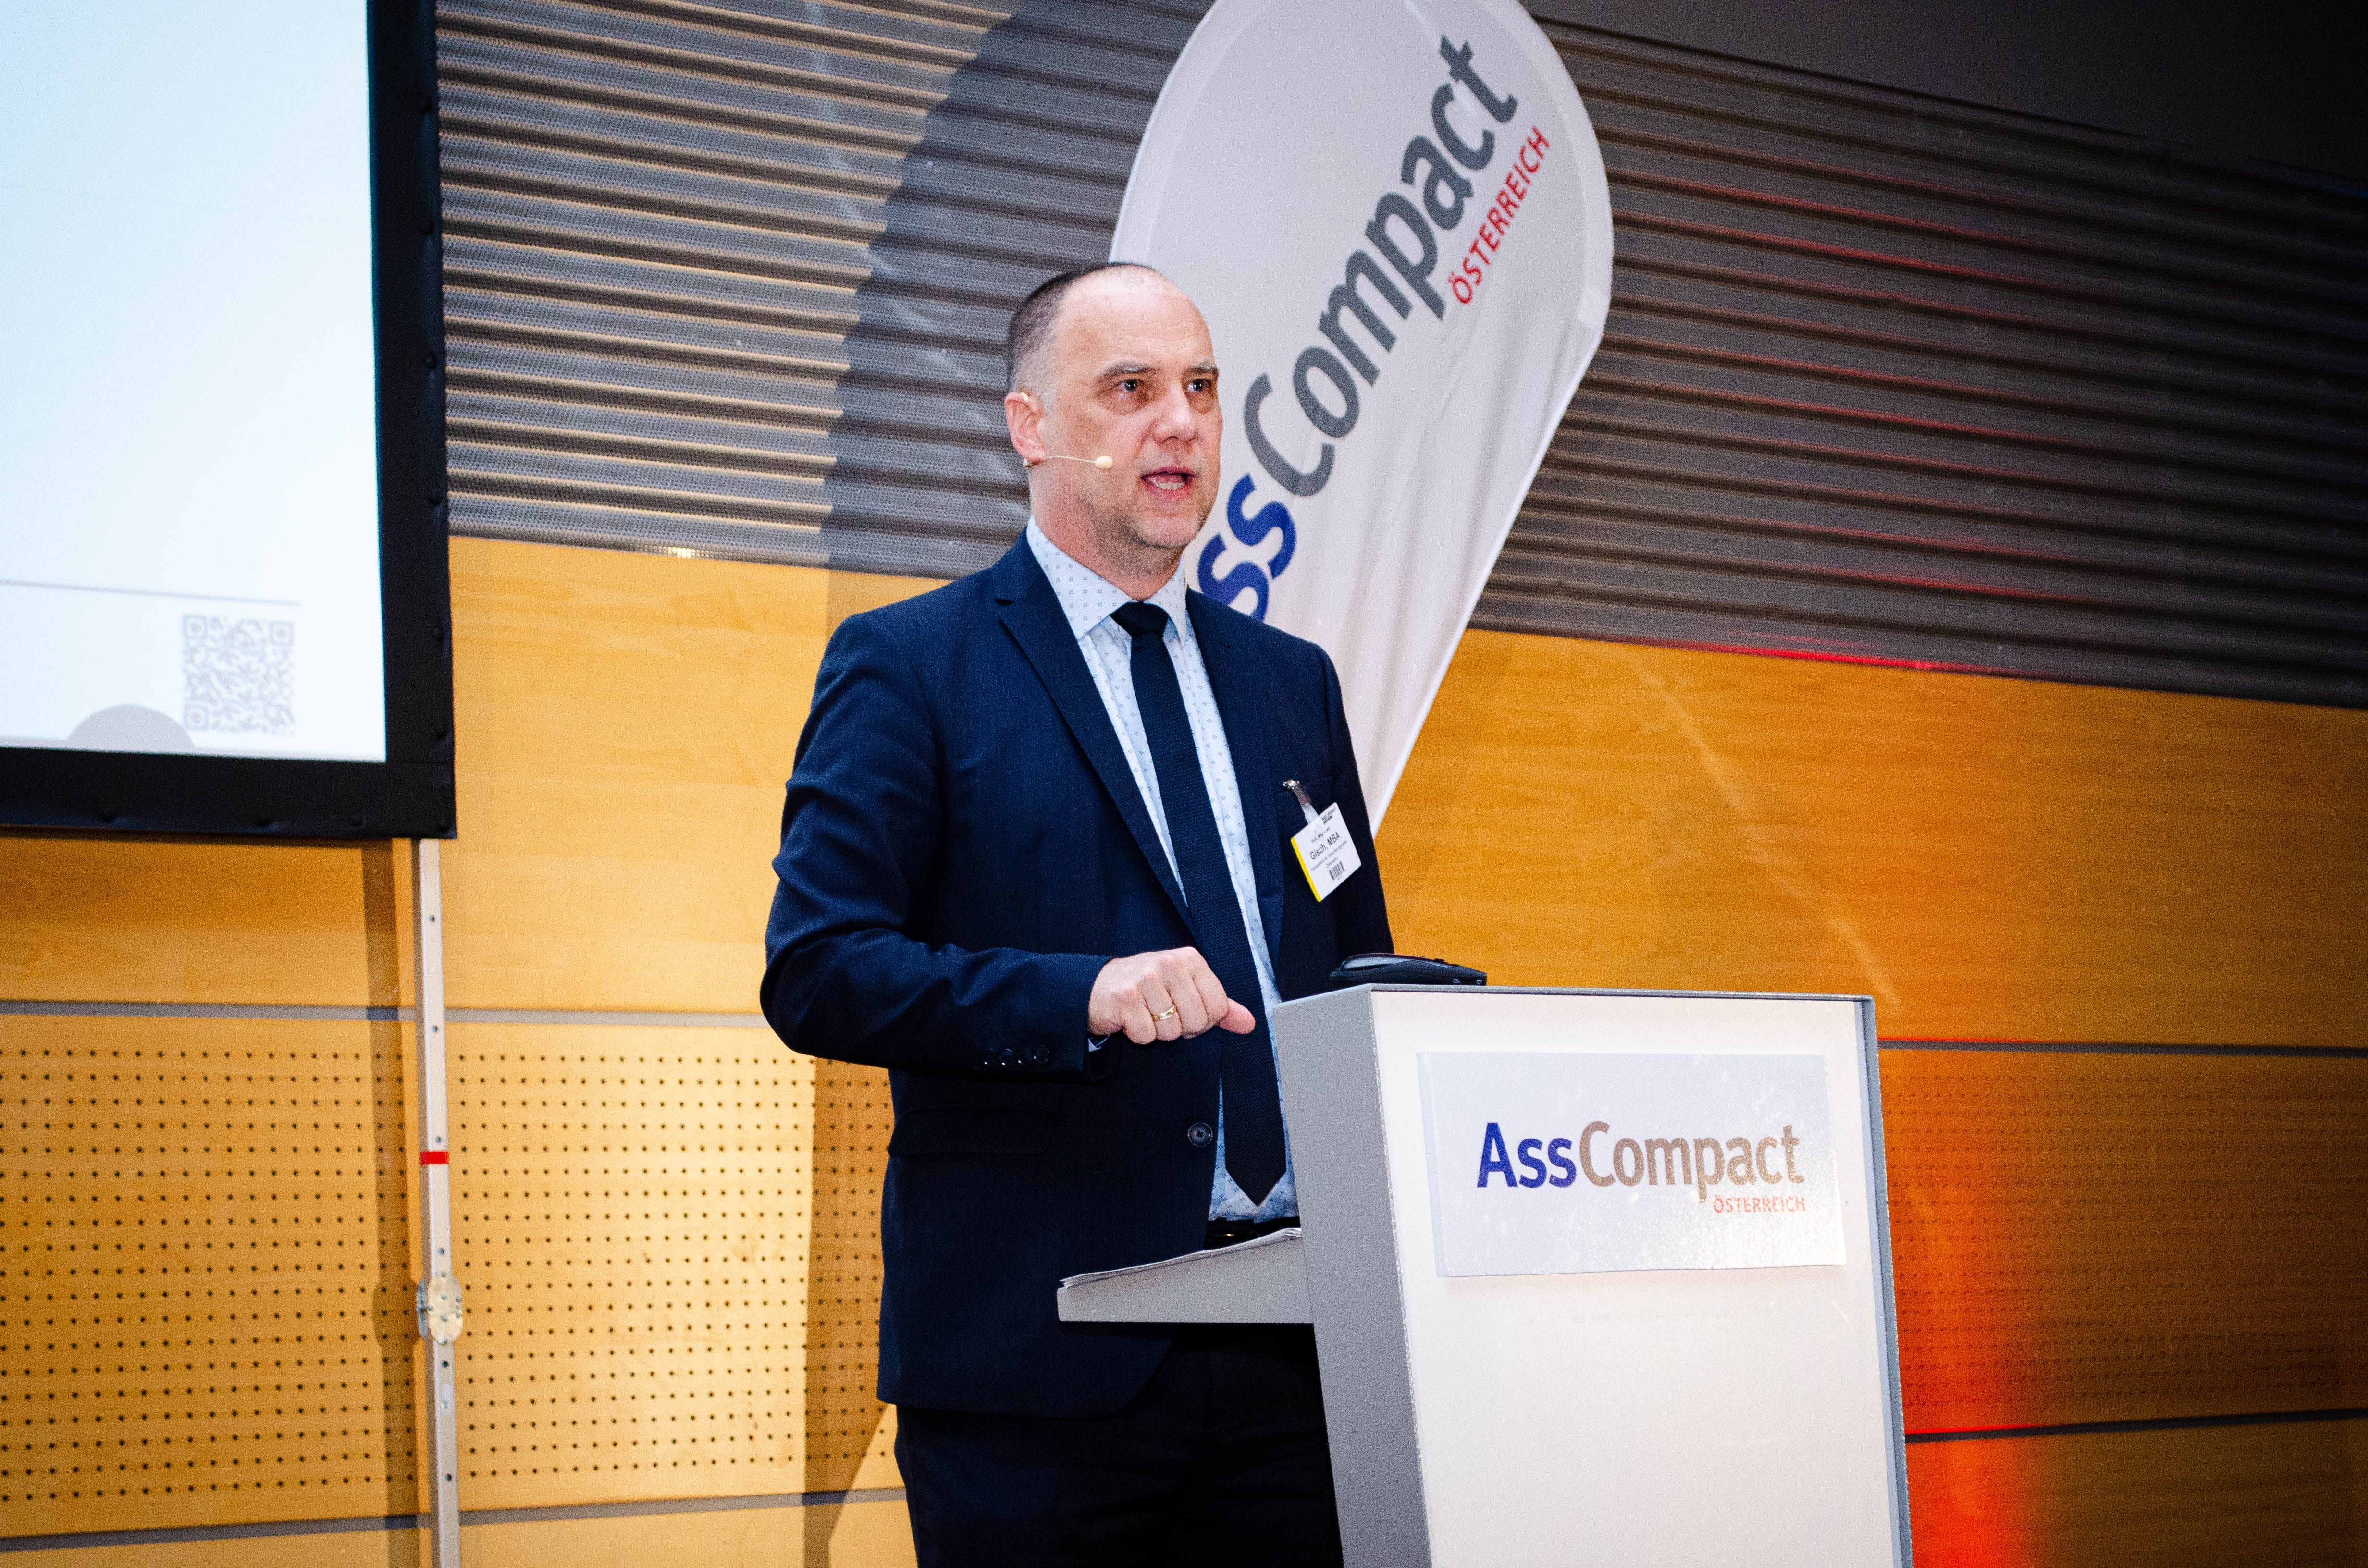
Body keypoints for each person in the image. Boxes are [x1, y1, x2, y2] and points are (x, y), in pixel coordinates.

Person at [761, 261, 1392, 1566]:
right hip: (1038, 1375)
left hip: (1300, 1358)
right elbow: (820, 969)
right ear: (1031, 426)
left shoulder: (1293, 684)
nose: (1182, 423)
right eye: (1132, 388)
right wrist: (1077, 997)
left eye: (1202, 388)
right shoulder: (912, 664)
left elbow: (1352, 960)